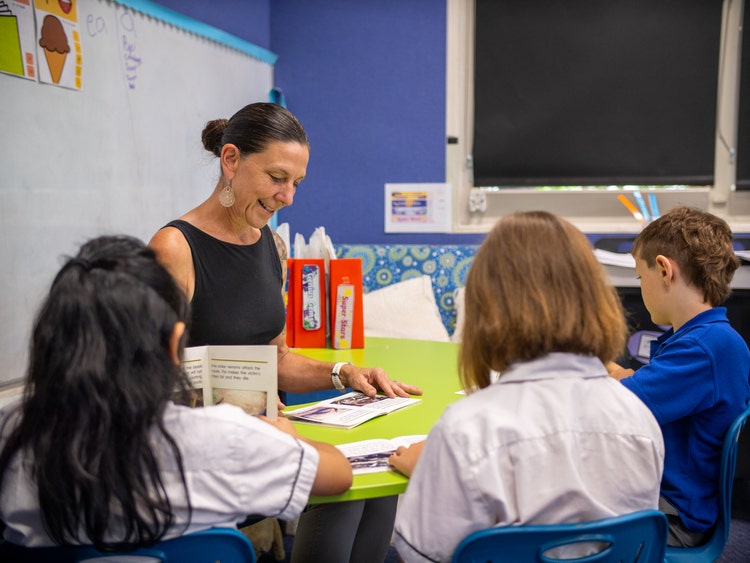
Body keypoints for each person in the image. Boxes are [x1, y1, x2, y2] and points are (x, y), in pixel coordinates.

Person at [148, 101, 421, 563]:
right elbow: (148, 376)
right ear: (231, 160)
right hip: (201, 464)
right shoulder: (174, 248)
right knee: (343, 495)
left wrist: (342, 372)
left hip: (258, 440)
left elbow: (275, 358)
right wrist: (237, 398)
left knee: (378, 487)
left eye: (297, 183)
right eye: (277, 178)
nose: (288, 197)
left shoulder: (271, 245)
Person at [0, 235, 352, 551]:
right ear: (173, 344)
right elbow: (339, 474)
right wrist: (288, 437)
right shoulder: (223, 434)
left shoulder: (12, 431)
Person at [388, 211, 665, 563]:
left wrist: (431, 475)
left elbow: (421, 554)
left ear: (487, 307)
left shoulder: (465, 430)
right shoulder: (640, 421)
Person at [607, 206, 750, 547]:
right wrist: (617, 375)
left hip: (670, 518)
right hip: (667, 501)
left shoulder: (704, 347)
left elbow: (618, 407)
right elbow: (646, 388)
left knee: (549, 518)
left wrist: (603, 376)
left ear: (663, 270)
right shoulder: (707, 338)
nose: (641, 287)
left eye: (641, 278)